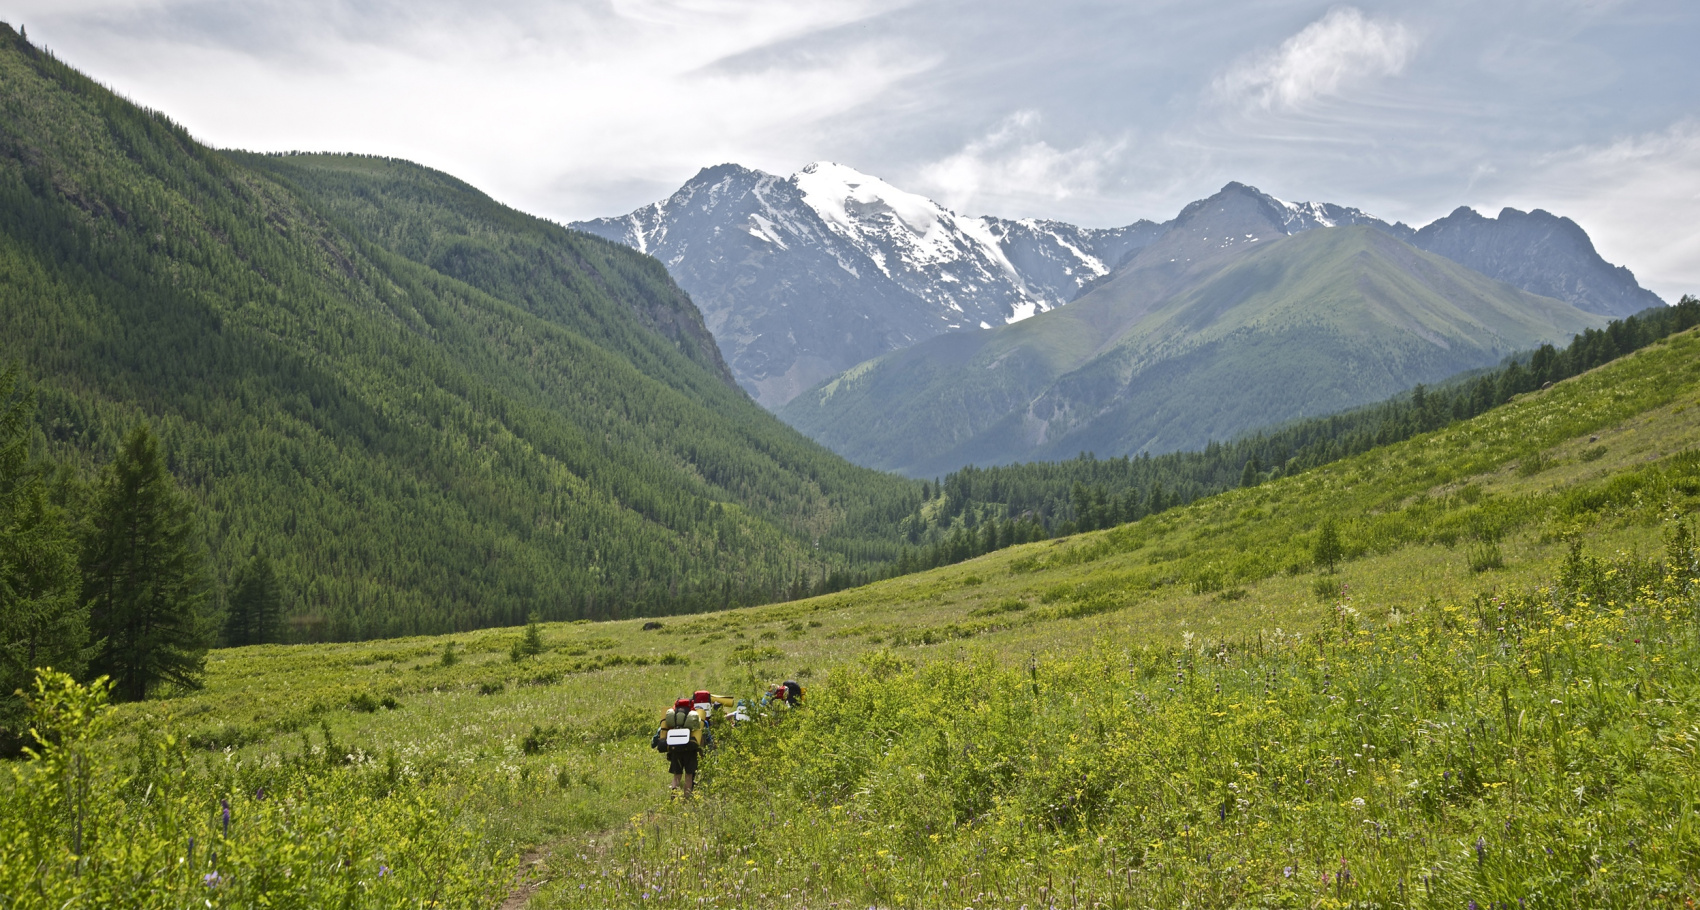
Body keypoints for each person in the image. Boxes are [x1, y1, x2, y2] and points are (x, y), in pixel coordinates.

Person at [658, 697, 704, 795]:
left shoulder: (674, 715)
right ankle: (687, 798)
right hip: (689, 749)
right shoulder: (693, 713)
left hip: (675, 748)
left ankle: (673, 797)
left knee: (677, 775)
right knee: (689, 775)